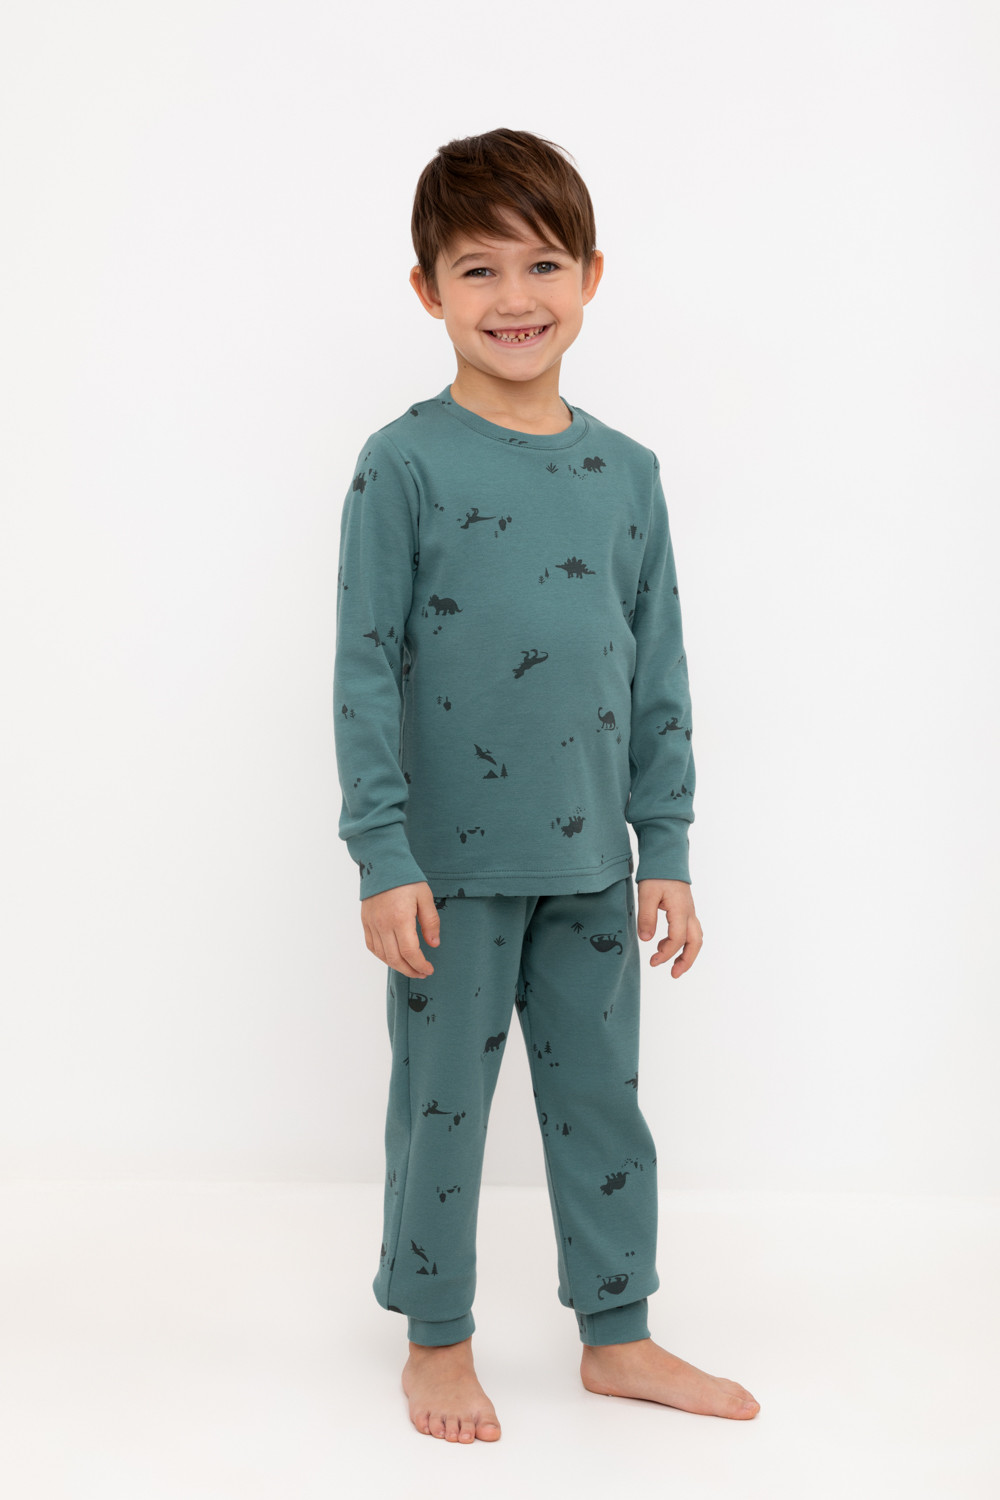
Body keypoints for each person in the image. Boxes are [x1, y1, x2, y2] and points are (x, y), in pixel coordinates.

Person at [332, 126, 760, 1442]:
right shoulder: (403, 463)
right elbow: (363, 667)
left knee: (601, 1103)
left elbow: (656, 663)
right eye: (478, 270)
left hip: (591, 867)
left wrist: (665, 845)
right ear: (427, 291)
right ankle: (436, 1340)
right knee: (442, 1113)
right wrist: (382, 853)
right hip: (450, 871)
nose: (513, 298)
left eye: (541, 264)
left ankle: (617, 1335)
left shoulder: (629, 473)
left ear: (590, 276)